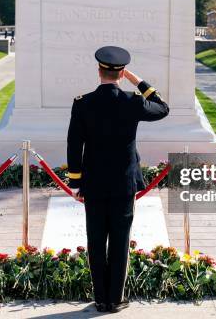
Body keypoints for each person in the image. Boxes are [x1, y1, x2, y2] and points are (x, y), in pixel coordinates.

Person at [66, 45, 169, 313]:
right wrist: (138, 81)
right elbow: (163, 108)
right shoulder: (132, 102)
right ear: (121, 73)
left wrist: (76, 183)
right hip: (124, 183)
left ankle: (100, 298)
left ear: (99, 71)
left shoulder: (83, 103)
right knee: (120, 240)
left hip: (94, 183)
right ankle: (115, 299)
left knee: (96, 239)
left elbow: (74, 144)